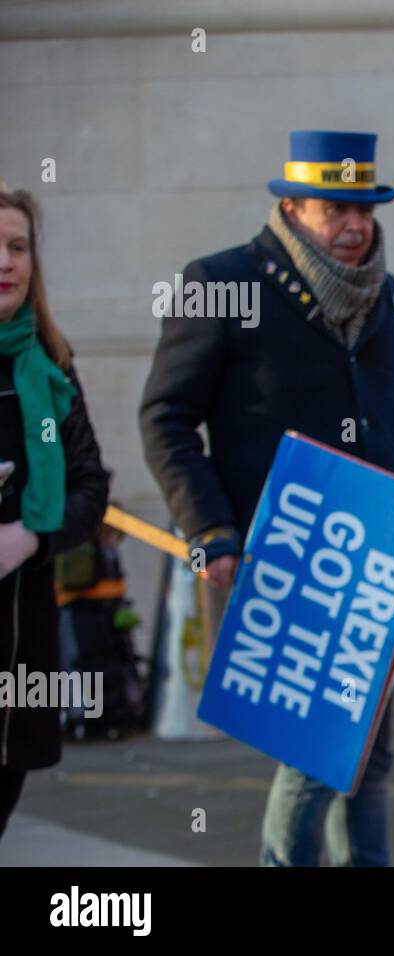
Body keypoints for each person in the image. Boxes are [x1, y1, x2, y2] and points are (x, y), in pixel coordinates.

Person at [138, 131, 394, 866]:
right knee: (318, 753)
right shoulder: (222, 281)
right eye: (335, 208)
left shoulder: (385, 293)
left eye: (365, 209)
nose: (355, 226)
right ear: (291, 206)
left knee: (366, 754)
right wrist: (210, 526)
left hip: (373, 560)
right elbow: (165, 420)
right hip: (285, 553)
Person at [0, 185, 111, 839]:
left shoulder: (52, 369)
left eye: (17, 247)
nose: (7, 261)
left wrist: (31, 538)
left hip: (18, 646)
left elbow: (90, 489)